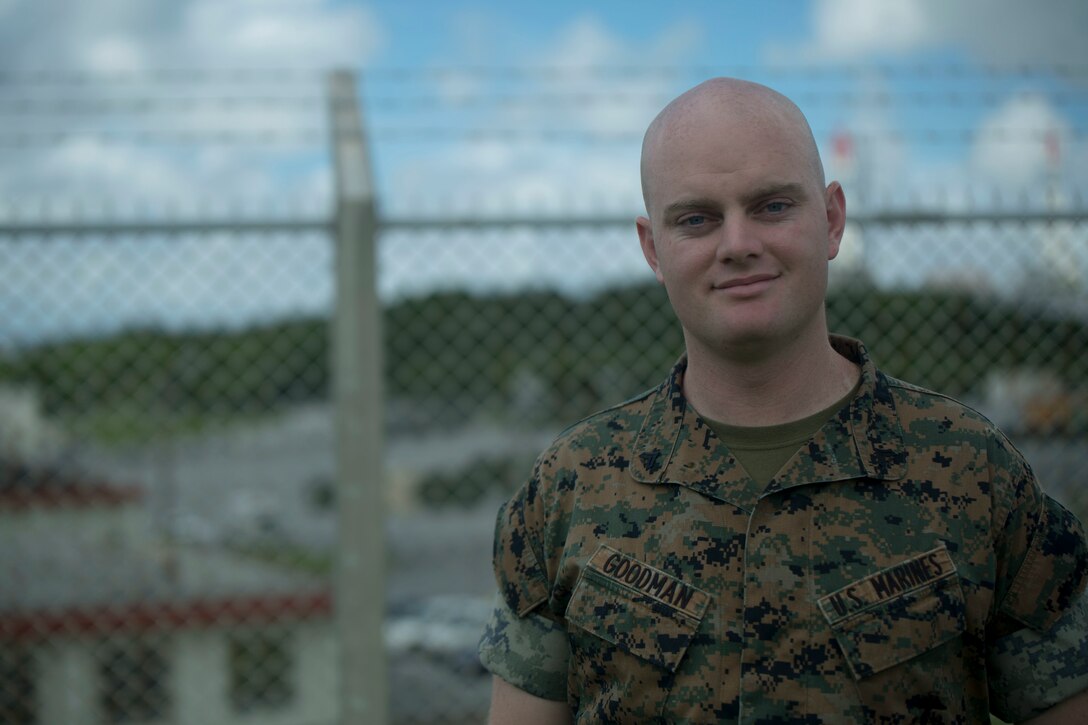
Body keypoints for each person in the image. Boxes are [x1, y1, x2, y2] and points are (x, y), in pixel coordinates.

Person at [477, 78, 1088, 723]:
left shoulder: (973, 470)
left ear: (831, 221)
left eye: (771, 206)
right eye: (696, 219)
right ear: (653, 248)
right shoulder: (572, 484)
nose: (738, 243)